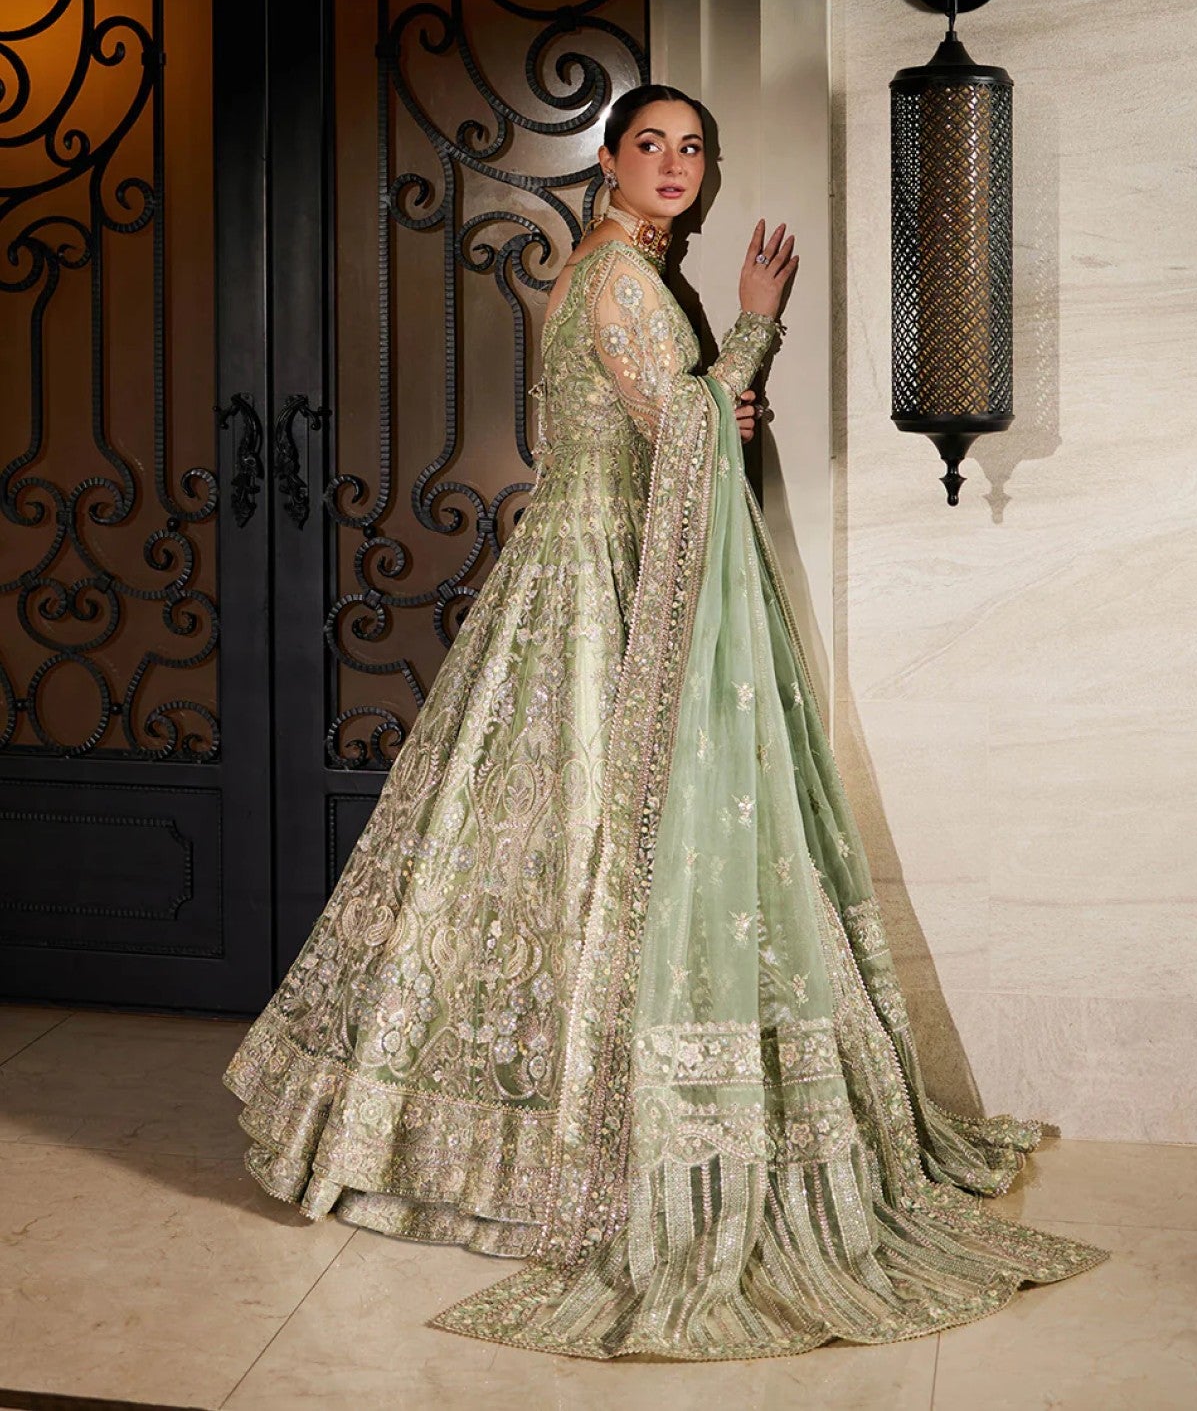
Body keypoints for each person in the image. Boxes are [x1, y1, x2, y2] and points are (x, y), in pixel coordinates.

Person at [223, 84, 1107, 1360]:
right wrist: (748, 338)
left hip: (591, 555)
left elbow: (677, 423)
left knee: (548, 841)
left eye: (694, 148)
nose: (676, 164)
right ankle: (572, 1142)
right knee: (598, 831)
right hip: (594, 571)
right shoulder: (624, 279)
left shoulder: (613, 272)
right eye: (653, 144)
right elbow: (680, 428)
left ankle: (446, 1124)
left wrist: (715, 387)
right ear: (609, 159)